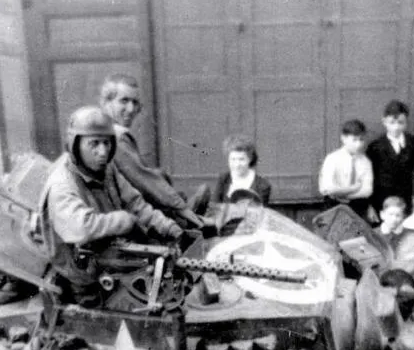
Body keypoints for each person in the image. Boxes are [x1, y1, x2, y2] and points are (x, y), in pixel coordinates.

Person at [40, 106, 183, 307]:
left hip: (111, 259)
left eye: (107, 143)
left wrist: (168, 227)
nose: (103, 152)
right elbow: (80, 228)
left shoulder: (107, 169)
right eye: (94, 143)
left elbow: (135, 204)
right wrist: (122, 221)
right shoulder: (61, 184)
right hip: (84, 279)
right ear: (75, 145)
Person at [99, 74, 207, 228]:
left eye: (135, 102)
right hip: (122, 212)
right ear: (106, 102)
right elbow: (142, 179)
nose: (131, 109)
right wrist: (181, 207)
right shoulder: (116, 135)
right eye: (124, 101)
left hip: (117, 204)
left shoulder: (102, 129)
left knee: (159, 176)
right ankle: (183, 216)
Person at [366, 99, 414, 217]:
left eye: (401, 123)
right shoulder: (375, 146)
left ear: (406, 122)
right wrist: (370, 205)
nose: (396, 127)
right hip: (382, 198)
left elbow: (410, 169)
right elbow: (369, 176)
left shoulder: (412, 142)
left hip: (404, 197)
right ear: (384, 122)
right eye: (392, 123)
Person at [318, 119, 374, 222]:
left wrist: (340, 193)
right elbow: (327, 188)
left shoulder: (365, 162)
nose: (358, 144)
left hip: (357, 208)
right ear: (343, 138)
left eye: (361, 140)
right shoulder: (332, 159)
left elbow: (366, 191)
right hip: (333, 206)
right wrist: (354, 188)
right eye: (354, 140)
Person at [212, 134, 272, 205]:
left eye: (241, 159)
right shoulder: (223, 179)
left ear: (250, 159)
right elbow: (215, 207)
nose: (237, 164)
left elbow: (260, 210)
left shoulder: (262, 185)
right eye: (233, 159)